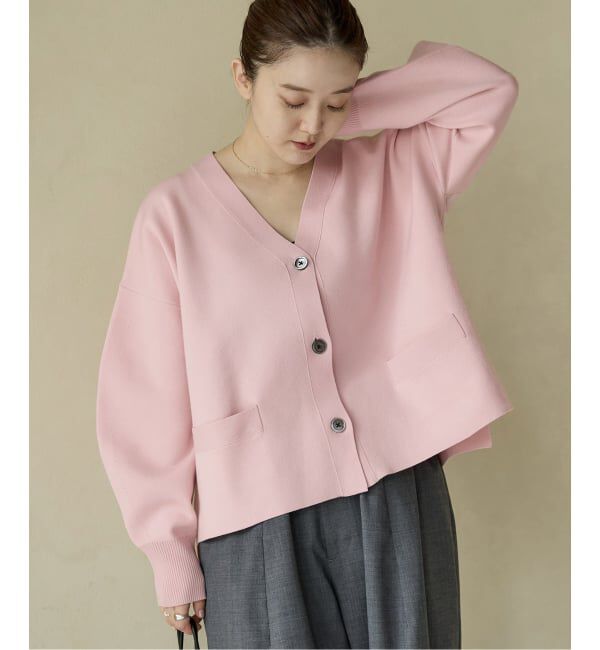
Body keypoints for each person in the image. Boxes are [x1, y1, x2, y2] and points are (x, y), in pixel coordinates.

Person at [96, 0, 519, 647]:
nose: (312, 125)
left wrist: (350, 109)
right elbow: (143, 400)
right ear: (243, 77)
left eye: (336, 102)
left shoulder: (393, 168)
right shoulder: (174, 216)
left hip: (396, 492)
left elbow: (488, 89)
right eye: (292, 99)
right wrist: (169, 552)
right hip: (253, 519)